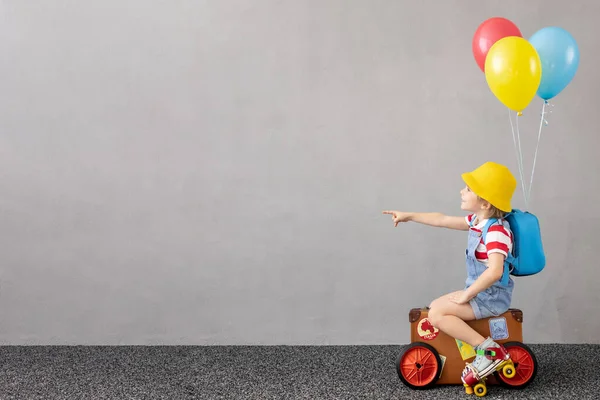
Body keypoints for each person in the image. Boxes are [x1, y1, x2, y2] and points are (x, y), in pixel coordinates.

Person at [383, 161, 517, 383]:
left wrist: (467, 295)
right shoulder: (478, 221)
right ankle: (477, 350)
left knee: (437, 315)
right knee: (435, 307)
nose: (462, 191)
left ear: (485, 202)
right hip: (481, 293)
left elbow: (495, 271)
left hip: (491, 297)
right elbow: (442, 219)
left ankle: (489, 351)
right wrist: (409, 215)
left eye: (469, 189)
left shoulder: (497, 232)